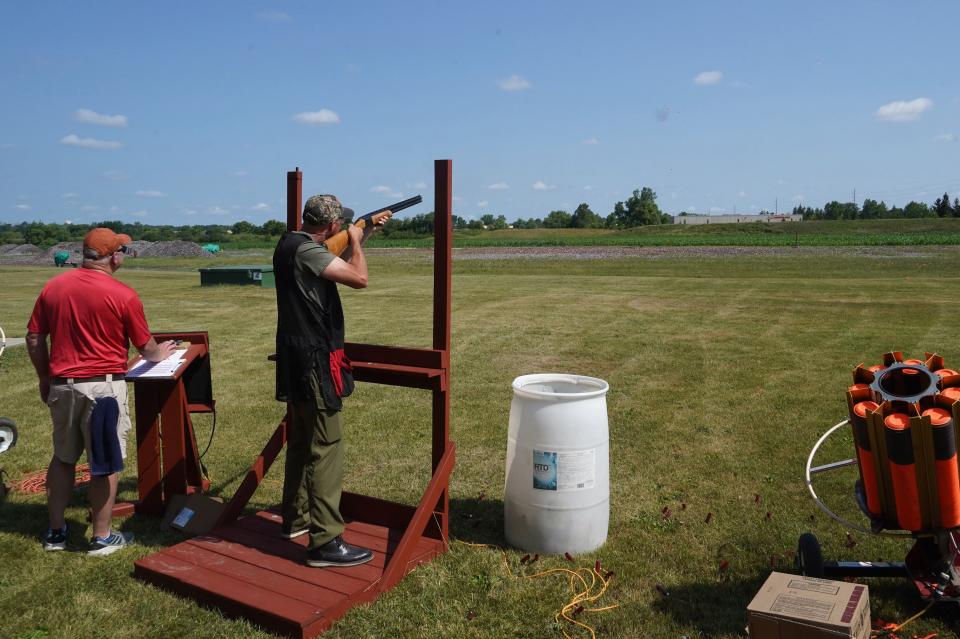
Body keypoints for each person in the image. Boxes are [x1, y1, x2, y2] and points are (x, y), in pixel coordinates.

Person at [26, 228, 176, 555]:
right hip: (104, 388)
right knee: (104, 463)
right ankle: (102, 537)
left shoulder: (53, 287)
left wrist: (43, 377)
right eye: (123, 251)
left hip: (62, 386)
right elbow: (146, 347)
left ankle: (55, 534)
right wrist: (160, 353)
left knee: (63, 458)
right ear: (114, 256)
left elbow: (35, 338)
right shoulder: (123, 294)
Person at [273, 194, 385, 568]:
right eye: (343, 225)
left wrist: (363, 235)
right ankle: (326, 541)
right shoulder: (308, 251)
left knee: (303, 443)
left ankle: (296, 520)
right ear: (333, 226)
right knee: (327, 446)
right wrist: (356, 240)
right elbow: (359, 278)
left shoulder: (291, 243)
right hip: (315, 362)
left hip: (298, 359)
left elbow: (334, 263)